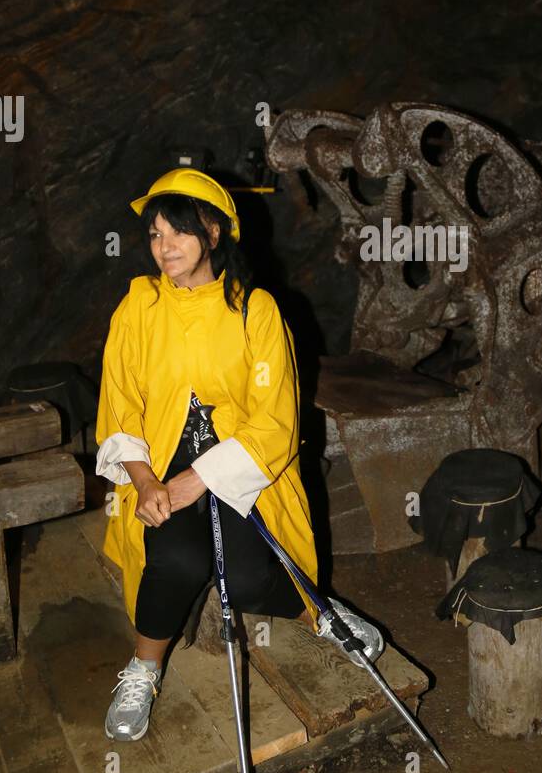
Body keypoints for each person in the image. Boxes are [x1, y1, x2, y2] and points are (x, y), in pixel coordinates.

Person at [96, 168, 382, 741]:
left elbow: (274, 421)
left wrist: (193, 482)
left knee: (250, 577)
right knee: (178, 561)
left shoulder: (256, 310)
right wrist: (148, 482)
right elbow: (119, 404)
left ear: (214, 230)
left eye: (175, 231)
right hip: (159, 467)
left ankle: (321, 613)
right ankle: (144, 667)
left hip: (242, 471)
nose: (163, 247)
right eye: (153, 235)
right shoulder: (139, 309)